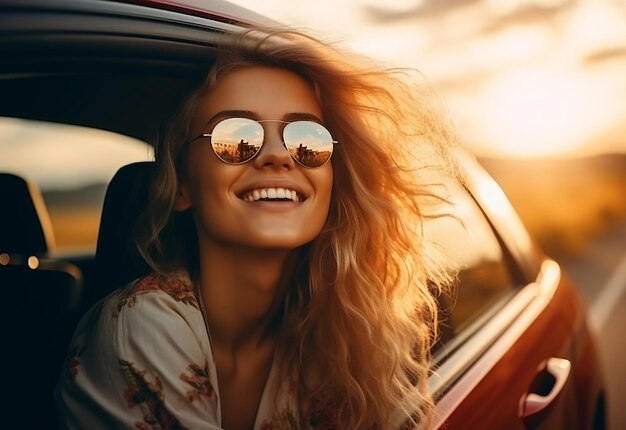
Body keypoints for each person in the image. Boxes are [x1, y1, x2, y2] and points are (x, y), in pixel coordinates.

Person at [56, 26, 457, 430]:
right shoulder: (140, 326)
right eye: (236, 136)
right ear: (182, 186)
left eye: (307, 139)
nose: (278, 155)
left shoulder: (356, 331)